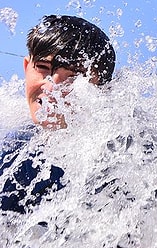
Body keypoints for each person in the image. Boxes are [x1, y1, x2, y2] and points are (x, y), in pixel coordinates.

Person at [0, 15, 115, 214]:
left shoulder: (125, 157)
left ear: (103, 90)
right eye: (43, 68)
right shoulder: (12, 151)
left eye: (74, 77)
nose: (52, 88)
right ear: (27, 67)